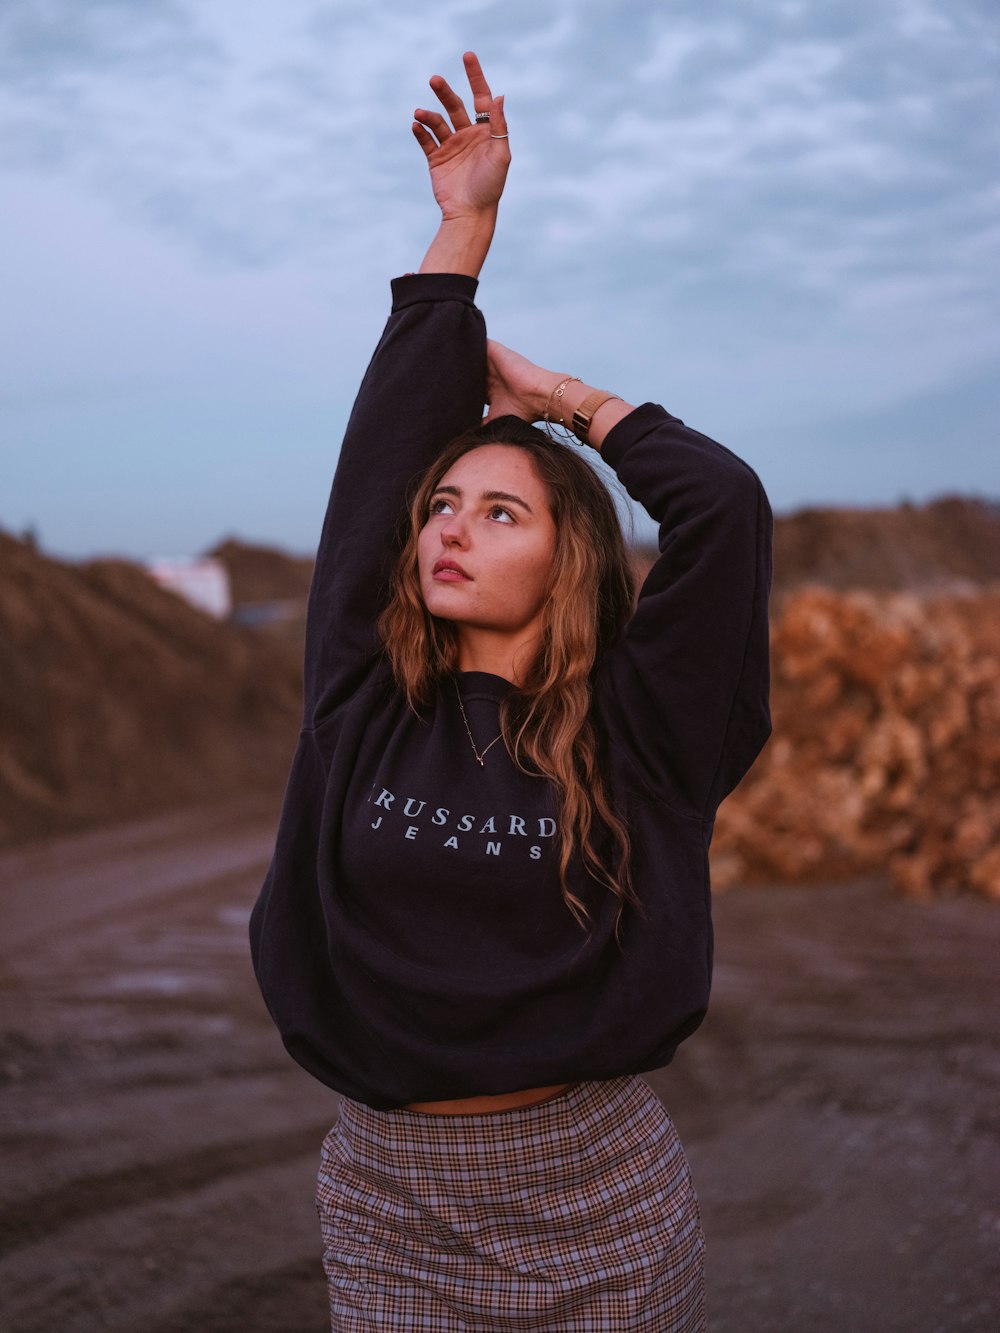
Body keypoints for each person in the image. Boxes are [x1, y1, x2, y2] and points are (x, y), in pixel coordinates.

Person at [250, 50, 772, 1332]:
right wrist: (458, 235)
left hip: (596, 1202)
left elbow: (722, 507)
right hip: (393, 1204)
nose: (448, 528)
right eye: (442, 508)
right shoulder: (362, 710)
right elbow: (375, 472)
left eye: (498, 510)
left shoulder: (641, 733)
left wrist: (556, 401)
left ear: (568, 555)